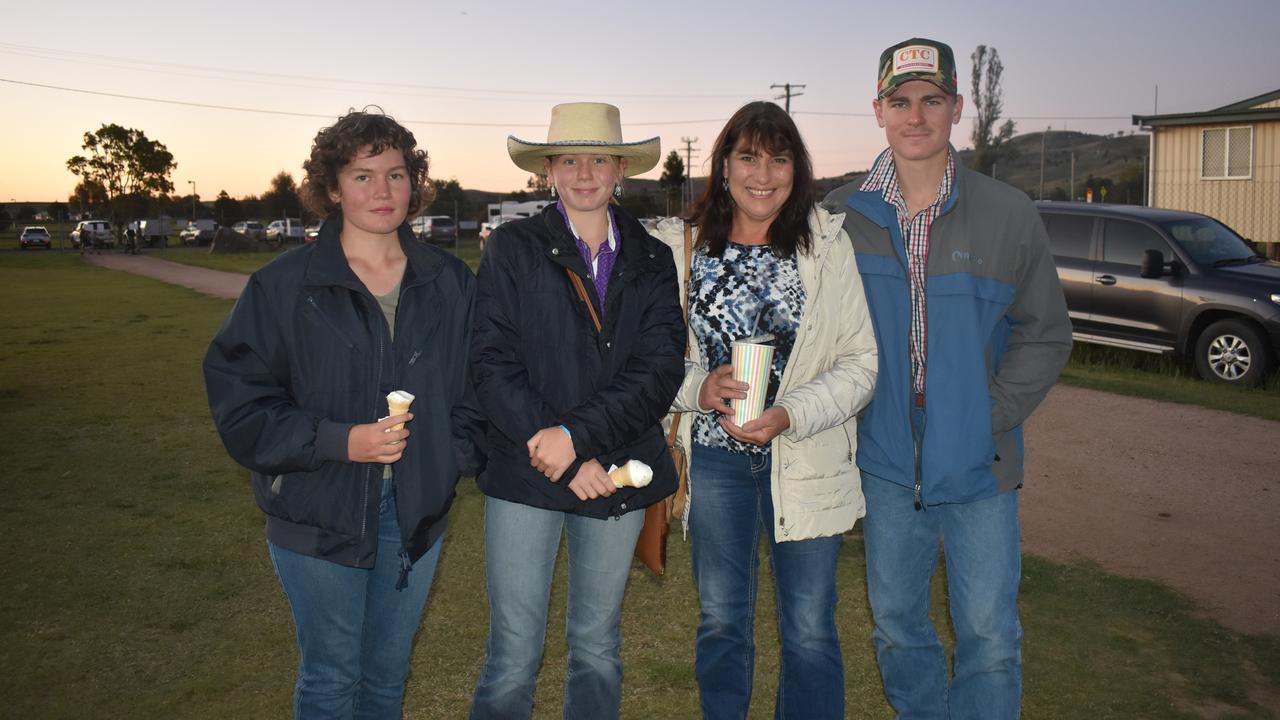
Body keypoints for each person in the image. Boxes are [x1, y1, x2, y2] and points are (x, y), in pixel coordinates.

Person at [203, 109, 484, 719]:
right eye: (363, 176)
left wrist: (447, 457)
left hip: (415, 511)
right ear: (331, 188)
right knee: (332, 679)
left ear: (415, 184)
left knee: (386, 678)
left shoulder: (450, 282)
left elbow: (479, 389)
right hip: (318, 507)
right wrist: (338, 441)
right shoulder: (284, 287)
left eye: (396, 174)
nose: (383, 192)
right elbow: (241, 404)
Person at [822, 38, 1072, 719]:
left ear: (956, 107)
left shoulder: (1008, 212)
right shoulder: (839, 218)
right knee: (898, 628)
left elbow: (1045, 332)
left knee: (990, 636)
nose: (916, 116)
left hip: (979, 467)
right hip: (885, 465)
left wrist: (984, 414)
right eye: (900, 102)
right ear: (878, 111)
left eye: (932, 100)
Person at [655, 100, 878, 720]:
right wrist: (698, 387)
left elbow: (861, 363)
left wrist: (789, 414)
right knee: (722, 623)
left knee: (809, 632)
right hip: (717, 465)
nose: (763, 173)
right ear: (724, 164)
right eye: (748, 156)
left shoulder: (827, 245)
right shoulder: (682, 249)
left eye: (779, 159)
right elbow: (649, 363)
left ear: (796, 169)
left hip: (805, 458)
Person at [468, 102, 685, 720]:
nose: (584, 172)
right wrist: (556, 448)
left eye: (599, 159)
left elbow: (660, 368)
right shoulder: (513, 247)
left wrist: (577, 439)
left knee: (595, 645)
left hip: (612, 473)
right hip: (524, 471)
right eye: (569, 159)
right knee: (513, 652)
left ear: (621, 169)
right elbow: (490, 364)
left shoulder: (650, 257)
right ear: (548, 170)